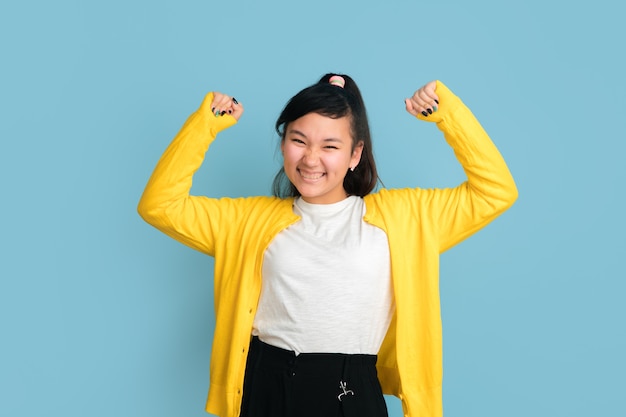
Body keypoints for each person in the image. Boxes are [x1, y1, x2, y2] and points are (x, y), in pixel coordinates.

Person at [137, 73, 518, 417]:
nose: (311, 159)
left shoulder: (407, 218)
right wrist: (205, 125)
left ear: (355, 155)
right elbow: (159, 205)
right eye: (298, 140)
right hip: (265, 384)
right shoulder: (246, 220)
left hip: (349, 388)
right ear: (284, 143)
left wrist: (447, 114)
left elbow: (495, 191)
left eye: (330, 146)